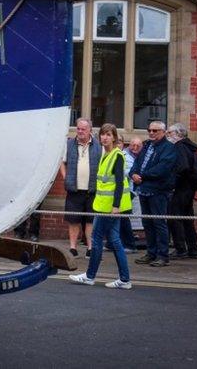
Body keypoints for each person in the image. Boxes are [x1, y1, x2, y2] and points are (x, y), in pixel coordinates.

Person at [69, 123, 132, 289]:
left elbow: (119, 183)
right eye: (103, 134)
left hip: (109, 208)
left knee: (97, 239)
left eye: (109, 135)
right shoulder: (107, 154)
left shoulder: (116, 156)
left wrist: (116, 206)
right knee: (115, 240)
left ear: (114, 137)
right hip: (104, 206)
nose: (105, 137)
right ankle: (124, 279)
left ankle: (90, 276)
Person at [130, 120, 178, 267]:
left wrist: (142, 176)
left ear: (163, 132)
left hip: (158, 191)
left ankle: (162, 255)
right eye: (149, 130)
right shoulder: (147, 146)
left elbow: (162, 168)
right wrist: (133, 174)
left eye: (155, 131)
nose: (151, 133)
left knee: (159, 223)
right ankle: (151, 253)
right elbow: (137, 163)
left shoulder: (169, 148)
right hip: (144, 189)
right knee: (147, 223)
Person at [59, 118, 101, 257]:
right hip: (74, 189)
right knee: (73, 220)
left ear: (90, 130)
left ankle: (90, 248)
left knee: (90, 220)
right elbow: (62, 162)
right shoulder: (69, 144)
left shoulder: (98, 145)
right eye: (78, 128)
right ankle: (73, 248)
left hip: (92, 189)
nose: (80, 131)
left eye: (83, 129)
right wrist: (65, 177)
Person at [166, 123, 197, 259]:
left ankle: (180, 249)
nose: (168, 136)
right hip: (189, 188)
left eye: (170, 133)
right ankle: (193, 249)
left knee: (174, 218)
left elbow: (183, 167)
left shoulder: (179, 147)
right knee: (187, 219)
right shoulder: (189, 146)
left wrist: (173, 181)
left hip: (181, 188)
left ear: (178, 134)